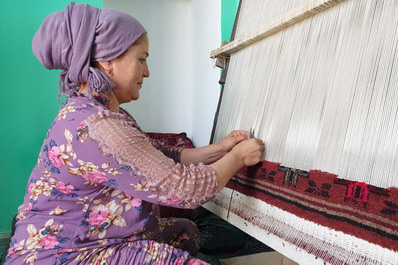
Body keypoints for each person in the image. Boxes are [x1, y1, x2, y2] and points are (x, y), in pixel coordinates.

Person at [5, 2, 264, 265]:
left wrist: (220, 149)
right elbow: (186, 190)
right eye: (141, 59)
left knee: (185, 233)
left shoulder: (95, 111)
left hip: (84, 239)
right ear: (107, 61)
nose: (147, 72)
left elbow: (160, 156)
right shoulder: (99, 128)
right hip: (67, 255)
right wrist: (238, 158)